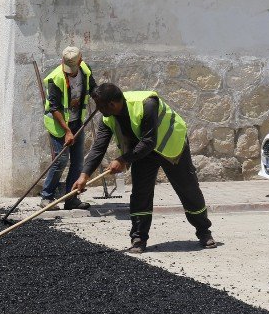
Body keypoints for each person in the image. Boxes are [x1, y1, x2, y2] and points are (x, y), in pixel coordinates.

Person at [72, 83, 216, 253]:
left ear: (111, 104)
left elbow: (150, 141)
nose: (98, 110)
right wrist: (84, 175)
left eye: (100, 106)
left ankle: (204, 232)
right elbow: (98, 147)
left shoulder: (147, 104)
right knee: (141, 193)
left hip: (170, 144)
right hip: (141, 151)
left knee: (188, 188)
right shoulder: (107, 118)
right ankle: (138, 238)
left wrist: (122, 160)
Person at [40, 46, 96, 209]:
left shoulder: (85, 70)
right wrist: (67, 131)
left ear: (80, 60)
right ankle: (46, 197)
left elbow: (93, 88)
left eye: (73, 68)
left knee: (78, 162)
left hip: (77, 121)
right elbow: (55, 107)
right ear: (62, 62)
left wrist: (101, 98)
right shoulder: (55, 78)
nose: (70, 72)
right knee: (61, 160)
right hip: (59, 124)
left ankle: (71, 199)